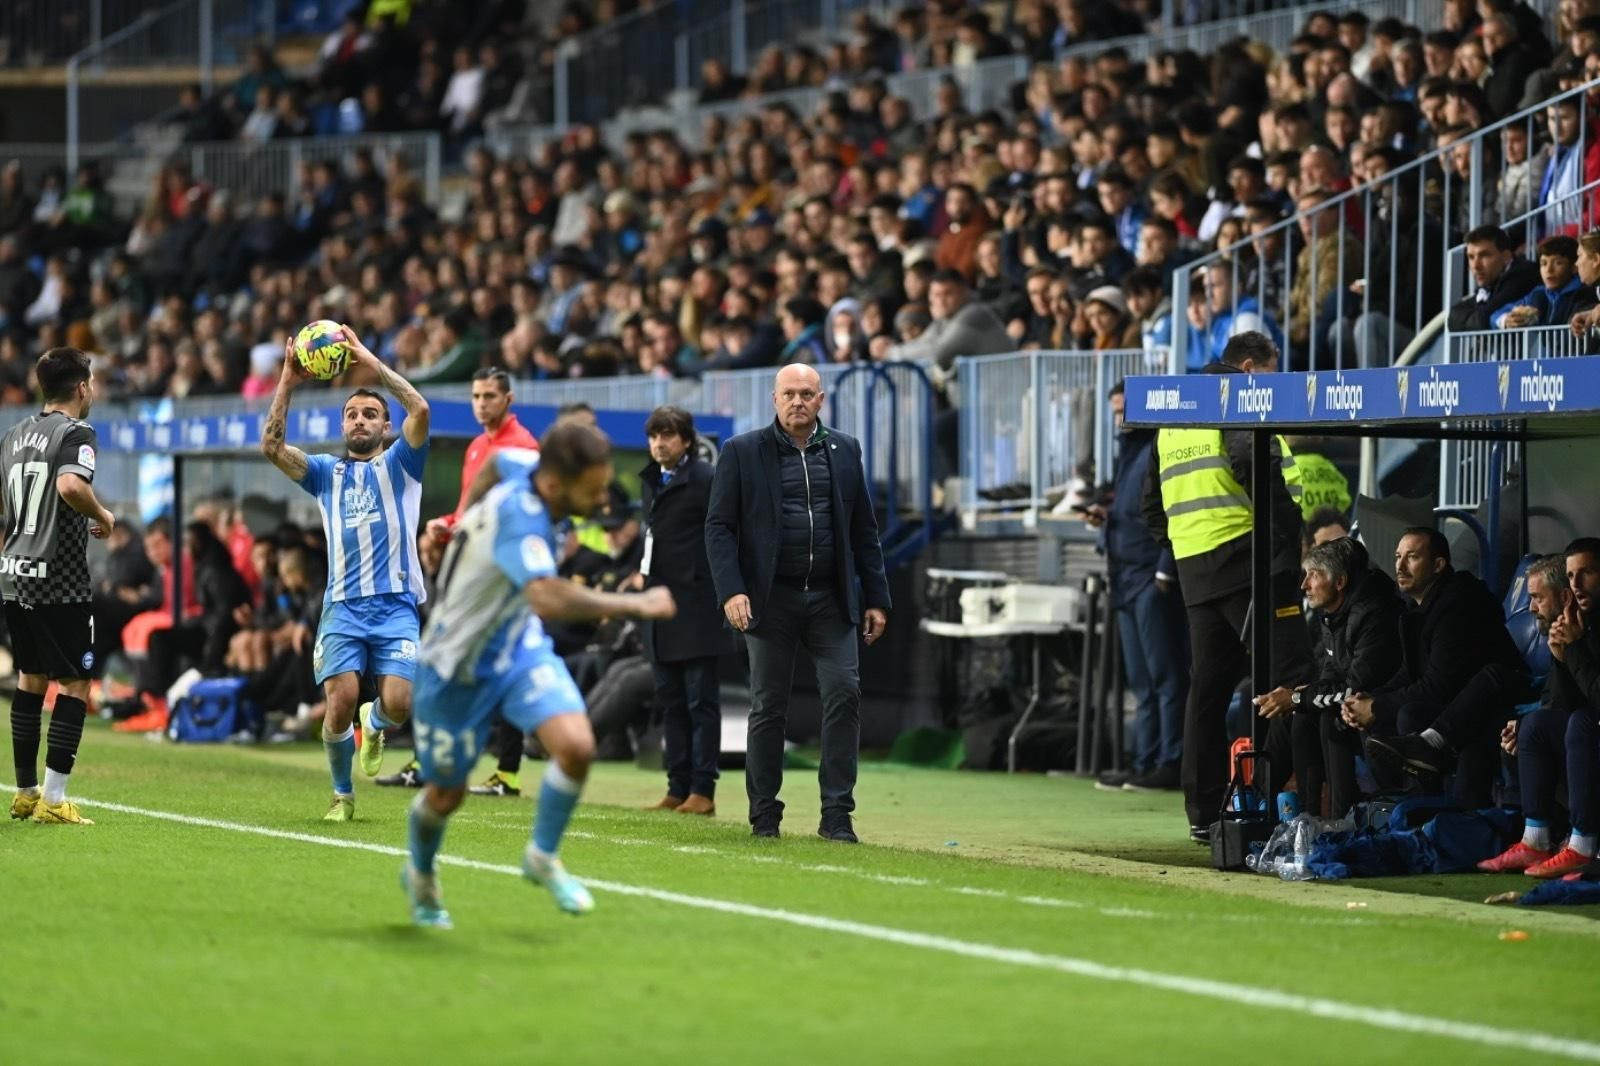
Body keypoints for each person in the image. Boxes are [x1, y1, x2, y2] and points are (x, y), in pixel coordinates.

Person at [402, 425, 677, 928]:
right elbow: (546, 596)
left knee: (576, 745)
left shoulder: (528, 468)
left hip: (517, 647)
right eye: (591, 490)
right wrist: (636, 603)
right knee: (446, 794)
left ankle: (542, 856)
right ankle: (419, 874)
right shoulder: (522, 520)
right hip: (455, 664)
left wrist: (458, 521)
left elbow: (495, 462)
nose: (601, 499)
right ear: (555, 485)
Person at [705, 363, 891, 842]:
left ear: (821, 400)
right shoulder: (742, 452)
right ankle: (764, 815)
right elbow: (719, 527)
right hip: (771, 600)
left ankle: (836, 815)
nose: (797, 402)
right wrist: (732, 590)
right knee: (768, 706)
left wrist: (877, 597)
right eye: (789, 394)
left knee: (844, 694)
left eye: (807, 394)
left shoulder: (846, 450)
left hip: (832, 598)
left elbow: (863, 530)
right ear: (774, 399)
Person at [1141, 331, 1314, 842]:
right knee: (1294, 677)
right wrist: (1285, 537)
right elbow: (1250, 462)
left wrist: (1186, 547)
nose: (1274, 385)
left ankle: (1203, 812)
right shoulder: (1234, 397)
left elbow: (1148, 504)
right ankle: (1293, 798)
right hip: (1249, 558)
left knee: (1209, 691)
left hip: (1198, 569)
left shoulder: (1175, 415)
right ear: (1246, 367)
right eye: (1269, 373)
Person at [259, 327, 430, 821]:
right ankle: (342, 795)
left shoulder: (403, 464)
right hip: (344, 607)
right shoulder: (324, 473)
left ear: (384, 427)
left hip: (396, 603)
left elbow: (419, 410)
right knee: (341, 699)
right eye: (352, 413)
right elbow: (271, 447)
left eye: (371, 414)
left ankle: (374, 724)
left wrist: (370, 361)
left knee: (398, 703)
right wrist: (289, 380)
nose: (360, 420)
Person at [382, 367, 538, 795]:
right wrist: (446, 524)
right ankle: (434, 762)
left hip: (502, 578)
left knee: (486, 667)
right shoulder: (476, 447)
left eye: (490, 396)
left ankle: (503, 772)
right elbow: (471, 510)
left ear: (508, 400)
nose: (481, 403)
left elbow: (519, 513)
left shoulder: (522, 448)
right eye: (476, 395)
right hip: (473, 572)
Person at [5, 347, 116, 825]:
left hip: (14, 573)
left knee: (30, 678)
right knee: (74, 683)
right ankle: (54, 800)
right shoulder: (77, 433)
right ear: (82, 388)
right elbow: (71, 487)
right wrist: (103, 515)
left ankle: (26, 791)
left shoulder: (13, 435)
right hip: (60, 579)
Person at [1345, 528, 1534, 806]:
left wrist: (1376, 706)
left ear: (1438, 565)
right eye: (1398, 557)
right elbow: (1409, 673)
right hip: (1455, 702)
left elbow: (1439, 685)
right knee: (1373, 714)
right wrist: (1367, 700)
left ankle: (1423, 809)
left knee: (1409, 714)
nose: (1399, 565)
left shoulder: (1458, 603)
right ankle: (1397, 803)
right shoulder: (1415, 609)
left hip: (1488, 704)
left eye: (1412, 557)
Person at [1254, 537, 1403, 818]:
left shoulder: (1375, 613)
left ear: (1340, 581)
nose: (1304, 584)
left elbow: (1357, 687)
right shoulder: (1334, 614)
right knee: (1292, 716)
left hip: (1383, 706)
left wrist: (1298, 697)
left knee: (1323, 717)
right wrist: (1296, 697)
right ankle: (1263, 802)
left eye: (1314, 574)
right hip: (1352, 700)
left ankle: (1334, 820)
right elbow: (1331, 674)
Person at [1088, 381, 1188, 793]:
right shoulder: (1128, 454)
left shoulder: (1158, 448)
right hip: (1125, 577)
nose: (1119, 419)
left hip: (1149, 576)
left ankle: (1170, 761)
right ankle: (1144, 761)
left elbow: (1173, 509)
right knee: (1142, 681)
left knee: (1165, 676)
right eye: (1114, 412)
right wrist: (1104, 520)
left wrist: (1165, 570)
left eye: (1123, 410)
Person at [1479, 543, 1600, 877]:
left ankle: (1584, 846)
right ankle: (1536, 840)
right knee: (1537, 725)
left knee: (1582, 723)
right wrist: (1562, 655)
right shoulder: (1581, 624)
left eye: (1586, 573)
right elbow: (1564, 702)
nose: (1577, 584)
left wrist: (1573, 651)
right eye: (1572, 575)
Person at [638, 405, 729, 815]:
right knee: (670, 701)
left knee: (700, 703)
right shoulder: (651, 480)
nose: (659, 443)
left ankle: (703, 791)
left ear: (688, 441)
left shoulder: (708, 480)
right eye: (655, 435)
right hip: (658, 607)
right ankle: (677, 786)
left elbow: (727, 534)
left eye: (668, 435)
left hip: (697, 606)